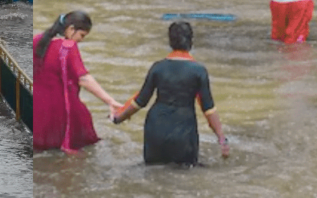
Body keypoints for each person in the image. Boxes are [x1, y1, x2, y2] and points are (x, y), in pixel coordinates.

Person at [111, 22, 230, 165]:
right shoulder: (199, 71)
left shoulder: (157, 68)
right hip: (184, 132)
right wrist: (222, 139)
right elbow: (208, 109)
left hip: (155, 130)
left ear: (170, 42)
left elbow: (140, 101)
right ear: (191, 41)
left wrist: (118, 118)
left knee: (152, 173)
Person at [33, 11, 122, 153]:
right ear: (71, 29)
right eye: (82, 35)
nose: (81, 40)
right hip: (63, 111)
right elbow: (83, 78)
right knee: (85, 150)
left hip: (38, 110)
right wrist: (110, 101)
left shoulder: (38, 40)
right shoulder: (68, 47)